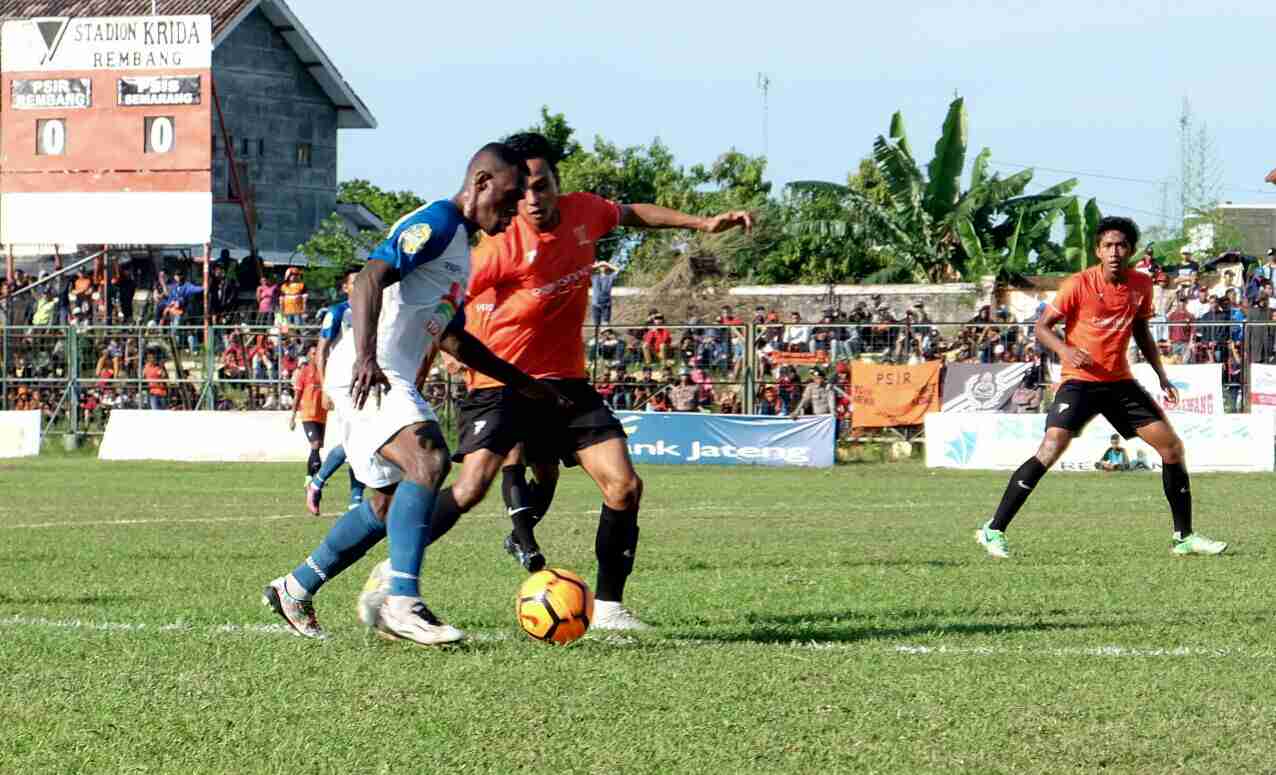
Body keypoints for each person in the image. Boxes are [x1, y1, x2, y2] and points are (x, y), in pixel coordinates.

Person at [405, 131, 751, 631]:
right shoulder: (497, 247)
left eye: (541, 186)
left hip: (566, 382)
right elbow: (443, 310)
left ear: (557, 185)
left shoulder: (586, 212)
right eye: (520, 190)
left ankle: (609, 607)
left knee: (624, 486)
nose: (531, 200)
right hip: (502, 382)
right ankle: (394, 581)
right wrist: (419, 370)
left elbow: (633, 213)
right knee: (471, 487)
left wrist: (702, 223)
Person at [263, 141, 558, 645]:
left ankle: (295, 587)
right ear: (481, 182)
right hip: (370, 371)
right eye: (508, 200)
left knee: (385, 505)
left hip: (381, 372)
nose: (512, 214)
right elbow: (368, 280)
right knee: (429, 458)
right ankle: (401, 601)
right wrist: (366, 358)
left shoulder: (462, 251)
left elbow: (451, 337)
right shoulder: (438, 222)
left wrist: (521, 382)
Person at [974, 216, 1227, 559]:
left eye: (1121, 245)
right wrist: (1065, 350)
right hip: (1080, 382)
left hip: (1120, 383)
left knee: (1171, 449)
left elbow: (1141, 331)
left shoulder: (1141, 284)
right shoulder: (1078, 284)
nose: (1114, 251)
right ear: (1097, 250)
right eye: (1107, 245)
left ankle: (1184, 537)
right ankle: (994, 529)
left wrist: (1161, 375)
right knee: (1051, 447)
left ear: (1131, 250)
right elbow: (1043, 327)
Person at [306, 269, 366, 514]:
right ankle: (323, 485)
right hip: (341, 384)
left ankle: (351, 499)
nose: (360, 283)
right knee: (357, 440)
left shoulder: (373, 309)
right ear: (345, 288)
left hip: (364, 383)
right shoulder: (338, 312)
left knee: (360, 442)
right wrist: (324, 388)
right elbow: (321, 350)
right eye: (355, 281)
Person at [288, 344, 328, 489]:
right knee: (315, 444)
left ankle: (315, 478)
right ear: (308, 356)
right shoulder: (304, 372)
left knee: (317, 447)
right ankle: (310, 478)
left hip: (322, 415)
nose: (315, 356)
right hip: (308, 415)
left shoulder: (325, 372)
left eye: (316, 353)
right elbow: (297, 395)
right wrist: (292, 416)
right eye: (312, 353)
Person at [590, 261, 617, 327]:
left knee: (605, 325)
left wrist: (606, 264)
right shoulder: (594, 276)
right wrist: (599, 264)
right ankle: (596, 337)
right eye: (601, 266)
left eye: (604, 266)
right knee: (596, 325)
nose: (603, 267)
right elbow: (588, 269)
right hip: (595, 304)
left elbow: (617, 270)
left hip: (606, 305)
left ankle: (605, 336)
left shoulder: (610, 276)